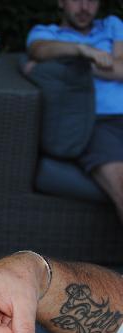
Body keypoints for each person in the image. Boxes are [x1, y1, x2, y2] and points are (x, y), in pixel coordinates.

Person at [27, 0, 123, 222]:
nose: (84, 7)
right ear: (61, 2)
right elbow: (39, 50)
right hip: (95, 122)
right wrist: (81, 50)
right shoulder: (45, 33)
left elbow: (121, 69)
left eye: (91, 1)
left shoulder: (112, 26)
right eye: (76, 0)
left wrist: (77, 65)